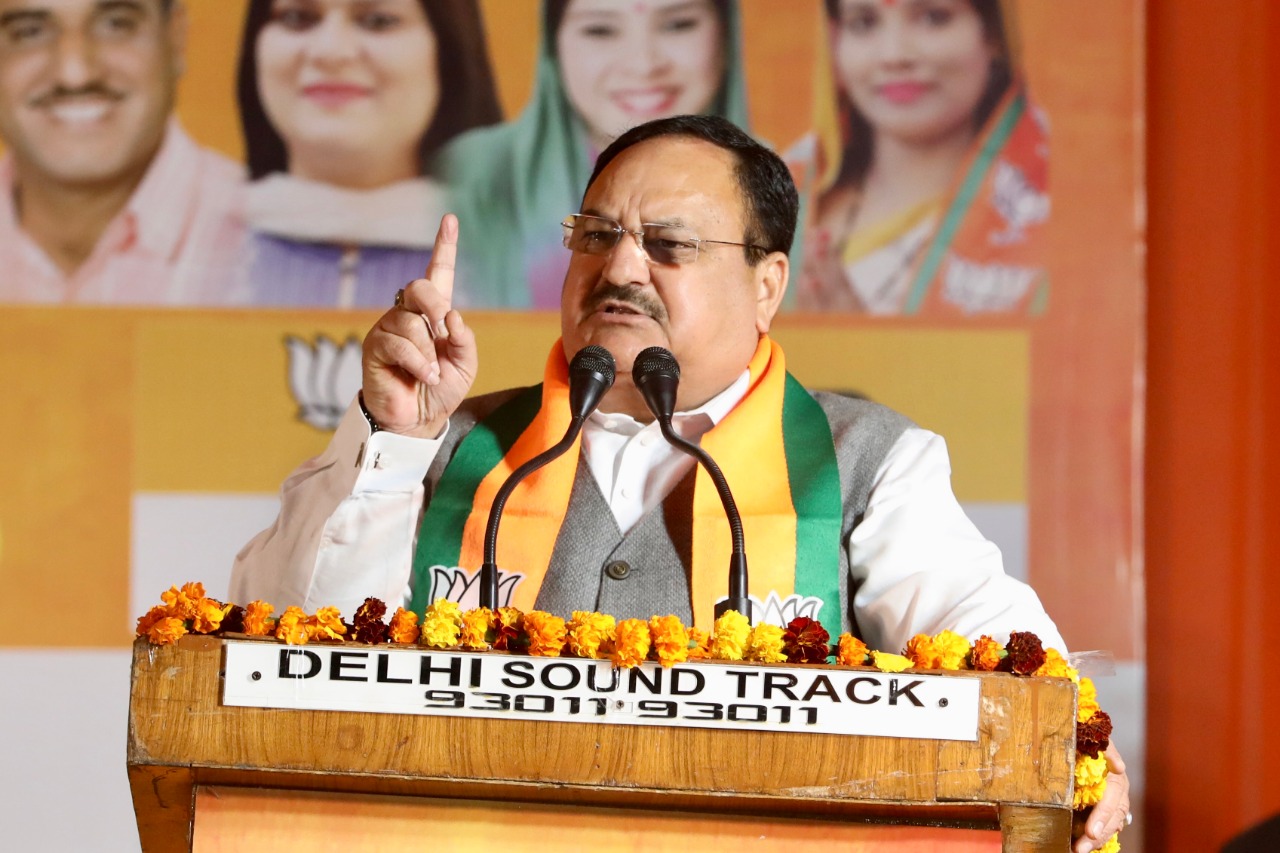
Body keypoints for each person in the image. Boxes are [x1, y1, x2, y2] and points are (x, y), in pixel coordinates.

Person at [231, 115, 1127, 851]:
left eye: (670, 244)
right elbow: (267, 656)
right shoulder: (445, 440)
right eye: (597, 235)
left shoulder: (864, 462)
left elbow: (1011, 668)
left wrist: (1076, 748)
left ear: (768, 283)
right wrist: (394, 438)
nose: (621, 268)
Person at [437, 0, 748, 309]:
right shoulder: (462, 176)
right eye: (600, 30)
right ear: (553, 47)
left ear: (727, 36)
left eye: (678, 25)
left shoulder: (788, 184)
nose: (643, 63)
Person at [234, 0, 500, 307]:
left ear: (448, 50)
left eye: (378, 21)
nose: (330, 52)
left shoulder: (522, 260)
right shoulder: (199, 247)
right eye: (297, 18)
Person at [793, 0, 1049, 315]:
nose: (894, 55)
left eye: (933, 18)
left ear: (993, 32)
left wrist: (860, 349)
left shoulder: (1040, 220)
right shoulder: (777, 195)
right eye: (864, 23)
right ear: (834, 42)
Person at [0, 0, 244, 305]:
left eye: (116, 25)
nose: (75, 73)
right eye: (29, 32)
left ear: (177, 39)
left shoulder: (289, 249)